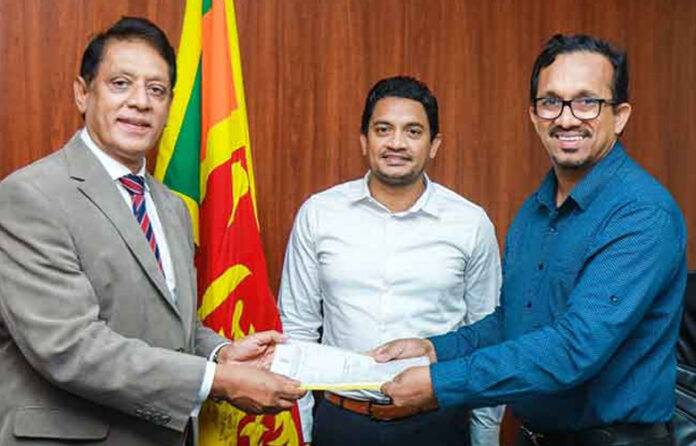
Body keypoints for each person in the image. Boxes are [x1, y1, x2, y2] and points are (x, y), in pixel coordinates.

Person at [0, 17, 304, 445]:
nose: (141, 102)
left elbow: (170, 324)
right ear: (83, 93)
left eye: (157, 90)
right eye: (121, 84)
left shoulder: (172, 207)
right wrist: (216, 380)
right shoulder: (30, 196)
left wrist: (221, 353)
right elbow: (69, 346)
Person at [373, 34, 686, 446]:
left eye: (587, 102)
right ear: (535, 115)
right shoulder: (534, 210)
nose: (567, 118)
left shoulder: (641, 213)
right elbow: (514, 321)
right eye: (551, 102)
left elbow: (574, 348)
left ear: (620, 116)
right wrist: (433, 350)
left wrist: (438, 382)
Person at [278, 76, 504, 446]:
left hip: (437, 424)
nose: (396, 143)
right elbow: (297, 330)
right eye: (383, 129)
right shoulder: (319, 214)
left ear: (434, 145)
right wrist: (302, 432)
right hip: (341, 422)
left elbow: (486, 337)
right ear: (364, 140)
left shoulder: (470, 223)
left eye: (413, 131)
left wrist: (485, 438)